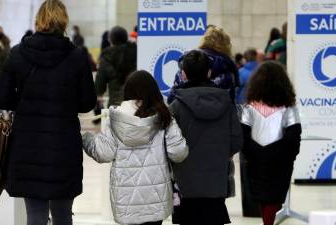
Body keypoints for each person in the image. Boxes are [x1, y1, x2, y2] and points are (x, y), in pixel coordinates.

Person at [0, 1, 96, 225]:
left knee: (35, 216)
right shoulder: (77, 56)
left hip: (28, 145)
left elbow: (0, 98)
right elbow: (87, 103)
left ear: (39, 20)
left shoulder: (18, 54)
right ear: (64, 21)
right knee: (63, 214)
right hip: (64, 146)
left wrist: (24, 100)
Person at [82, 70, 188, 225]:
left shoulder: (117, 119)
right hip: (156, 199)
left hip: (125, 199)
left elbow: (103, 153)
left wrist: (87, 139)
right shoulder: (165, 117)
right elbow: (178, 152)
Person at [169, 50, 243, 225]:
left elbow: (169, 146)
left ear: (183, 74)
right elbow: (236, 141)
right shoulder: (226, 103)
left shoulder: (176, 107)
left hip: (184, 185)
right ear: (209, 72)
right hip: (216, 184)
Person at [240, 61, 301, 225]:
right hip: (280, 161)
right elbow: (294, 138)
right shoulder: (289, 109)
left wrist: (254, 152)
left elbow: (243, 137)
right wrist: (286, 155)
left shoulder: (249, 108)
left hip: (255, 160)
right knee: (274, 198)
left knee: (262, 197)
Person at [168, 25, 239, 104]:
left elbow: (172, 98)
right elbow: (231, 101)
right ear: (226, 45)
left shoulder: (188, 63)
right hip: (216, 114)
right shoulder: (227, 69)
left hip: (185, 113)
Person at [95, 26, 137, 107]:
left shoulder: (107, 55)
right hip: (134, 101)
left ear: (111, 39)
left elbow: (100, 79)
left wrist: (99, 93)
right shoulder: (135, 51)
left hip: (115, 102)